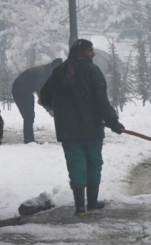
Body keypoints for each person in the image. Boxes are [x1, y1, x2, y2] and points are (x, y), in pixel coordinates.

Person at [39, 39, 124, 217]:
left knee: (76, 165)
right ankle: (92, 203)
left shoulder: (59, 71)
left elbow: (44, 96)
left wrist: (56, 108)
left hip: (67, 130)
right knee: (93, 163)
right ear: (85, 53)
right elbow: (101, 101)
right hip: (91, 129)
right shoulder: (93, 71)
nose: (93, 54)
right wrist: (113, 122)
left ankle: (79, 207)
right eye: (91, 51)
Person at [12, 58, 63, 143]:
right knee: (28, 115)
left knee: (29, 115)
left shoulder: (47, 71)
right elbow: (42, 93)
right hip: (20, 90)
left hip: (26, 91)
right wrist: (49, 109)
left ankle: (29, 139)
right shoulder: (42, 74)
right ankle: (29, 140)